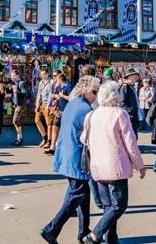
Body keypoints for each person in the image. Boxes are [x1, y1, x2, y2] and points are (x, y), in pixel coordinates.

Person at [80, 80, 146, 244]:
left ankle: (112, 239)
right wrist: (140, 165)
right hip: (115, 167)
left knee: (109, 207)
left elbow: (83, 139)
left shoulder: (92, 115)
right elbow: (130, 143)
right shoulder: (119, 114)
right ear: (114, 96)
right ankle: (95, 235)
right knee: (119, 206)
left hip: (97, 167)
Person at [40, 76, 100, 244]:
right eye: (94, 92)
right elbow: (90, 135)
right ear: (86, 90)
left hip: (66, 153)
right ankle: (51, 229)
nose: (96, 96)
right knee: (77, 194)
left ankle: (84, 232)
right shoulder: (85, 109)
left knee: (83, 194)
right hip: (76, 156)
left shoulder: (73, 103)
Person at [35, 68, 55, 149]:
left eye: (44, 74)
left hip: (48, 104)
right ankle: (44, 137)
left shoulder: (51, 82)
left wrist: (49, 106)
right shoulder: (40, 82)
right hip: (42, 103)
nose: (42, 76)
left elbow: (52, 94)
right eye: (41, 74)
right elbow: (39, 94)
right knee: (37, 120)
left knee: (49, 123)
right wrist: (37, 105)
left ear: (47, 74)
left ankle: (49, 141)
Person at [118, 68, 141, 135]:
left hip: (133, 116)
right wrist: (130, 112)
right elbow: (122, 102)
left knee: (133, 135)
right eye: (134, 75)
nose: (136, 77)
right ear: (130, 76)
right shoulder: (125, 86)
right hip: (129, 116)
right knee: (131, 136)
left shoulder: (131, 86)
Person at [10, 68, 29, 146]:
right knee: (16, 121)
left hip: (20, 105)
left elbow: (25, 94)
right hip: (16, 105)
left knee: (15, 121)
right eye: (12, 76)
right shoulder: (14, 83)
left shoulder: (21, 83)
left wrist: (17, 91)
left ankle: (19, 139)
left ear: (18, 75)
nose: (13, 77)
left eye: (14, 76)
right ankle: (19, 138)